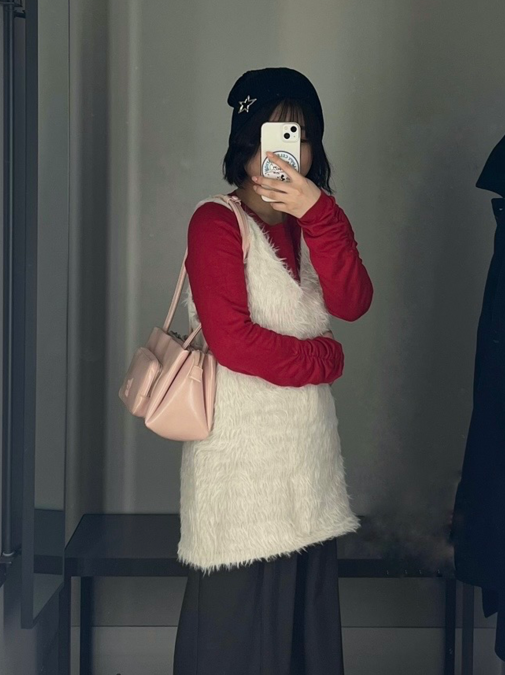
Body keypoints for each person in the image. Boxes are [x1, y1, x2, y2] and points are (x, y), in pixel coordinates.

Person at [173, 67, 373, 675]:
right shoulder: (216, 221)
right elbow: (234, 343)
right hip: (241, 466)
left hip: (307, 460)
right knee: (237, 634)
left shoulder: (316, 222)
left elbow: (353, 303)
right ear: (245, 144)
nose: (287, 149)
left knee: (302, 632)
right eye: (272, 134)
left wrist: (321, 213)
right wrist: (326, 358)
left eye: (300, 135)